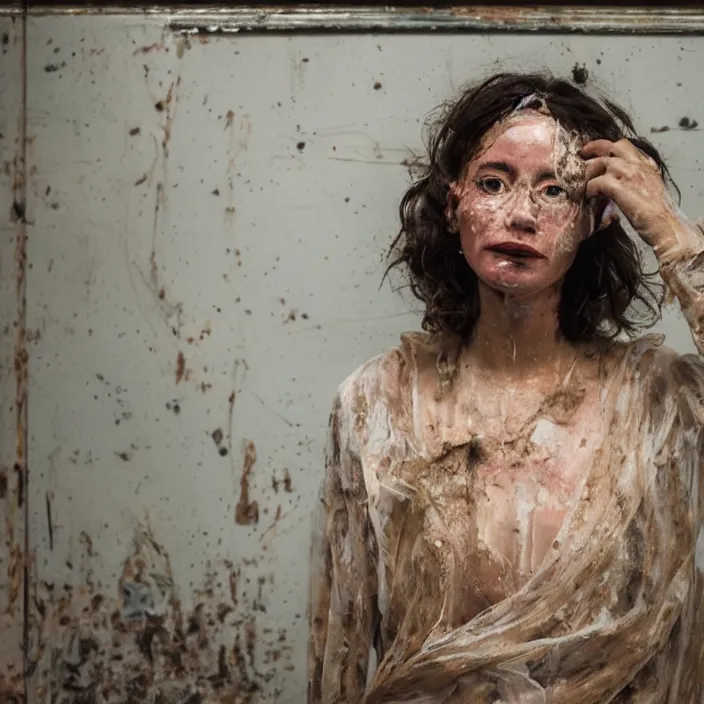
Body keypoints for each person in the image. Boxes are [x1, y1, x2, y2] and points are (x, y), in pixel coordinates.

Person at [308, 72, 704, 703]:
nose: (520, 214)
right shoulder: (379, 401)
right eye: (492, 183)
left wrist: (673, 235)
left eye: (555, 190)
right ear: (452, 201)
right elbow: (343, 641)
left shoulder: (656, 401)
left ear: (596, 218)